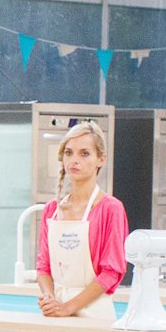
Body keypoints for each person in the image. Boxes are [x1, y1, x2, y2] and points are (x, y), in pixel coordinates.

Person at [36, 121, 128, 319]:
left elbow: (111, 272)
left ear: (101, 159)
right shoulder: (52, 210)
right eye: (69, 153)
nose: (74, 160)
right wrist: (49, 298)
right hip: (55, 313)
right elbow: (43, 266)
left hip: (95, 314)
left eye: (84, 153)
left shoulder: (111, 209)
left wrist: (68, 308)